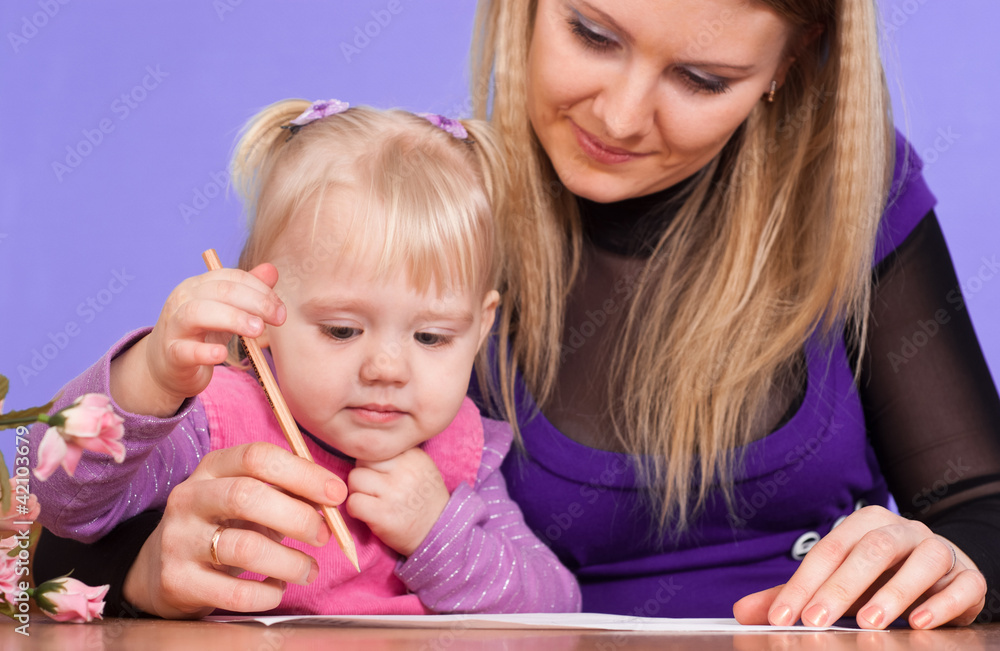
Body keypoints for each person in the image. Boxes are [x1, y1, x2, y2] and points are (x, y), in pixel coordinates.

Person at [33, 0, 1000, 629]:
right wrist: (146, 570)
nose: (620, 117)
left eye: (701, 81)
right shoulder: (427, 230)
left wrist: (959, 558)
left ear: (793, 66)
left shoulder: (847, 196)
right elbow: (63, 540)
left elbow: (981, 506)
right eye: (592, 33)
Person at [27, 99, 581, 618]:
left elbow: (557, 606)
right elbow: (61, 498)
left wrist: (439, 530)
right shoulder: (215, 421)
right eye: (342, 329)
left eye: (432, 338)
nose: (387, 369)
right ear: (265, 310)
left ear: (481, 324)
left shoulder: (461, 455)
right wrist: (148, 376)